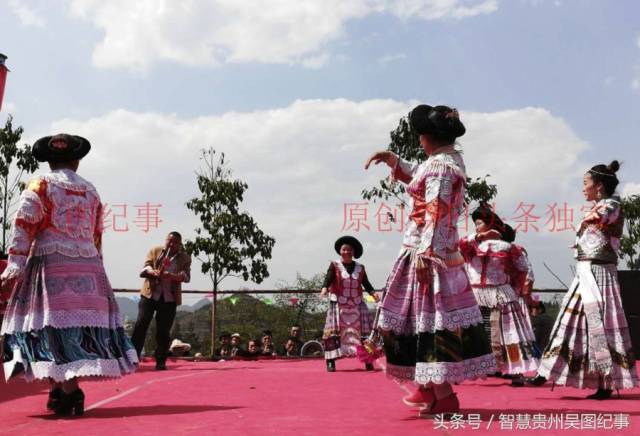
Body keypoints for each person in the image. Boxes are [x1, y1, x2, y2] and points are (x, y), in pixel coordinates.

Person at [365, 105, 496, 417]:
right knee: (418, 319)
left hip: (427, 252)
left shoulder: (441, 168)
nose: (419, 140)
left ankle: (443, 393)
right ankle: (429, 388)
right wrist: (393, 160)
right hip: (434, 250)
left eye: (421, 135)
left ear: (429, 137)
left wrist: (426, 254)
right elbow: (421, 178)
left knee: (428, 321)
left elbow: (436, 211)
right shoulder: (447, 161)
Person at [0, 134, 137, 416]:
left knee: (49, 326)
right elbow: (97, 233)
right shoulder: (91, 190)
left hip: (52, 262)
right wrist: (96, 264)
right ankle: (58, 389)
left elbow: (24, 222)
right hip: (87, 266)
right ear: (77, 160)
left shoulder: (40, 184)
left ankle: (71, 391)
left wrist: (15, 261)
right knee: (75, 328)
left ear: (49, 161)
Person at [528, 161, 638, 398]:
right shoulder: (604, 206)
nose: (582, 189)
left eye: (585, 184)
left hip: (599, 274)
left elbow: (602, 218)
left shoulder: (611, 205)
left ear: (598, 186)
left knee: (599, 325)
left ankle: (604, 382)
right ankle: (548, 371)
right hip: (587, 272)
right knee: (570, 322)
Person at [459, 206, 540, 386]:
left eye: (479, 223)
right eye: (476, 223)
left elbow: (522, 270)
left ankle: (514, 372)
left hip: (496, 293)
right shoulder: (477, 245)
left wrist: (514, 288)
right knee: (498, 333)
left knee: (503, 333)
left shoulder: (505, 247)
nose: (476, 227)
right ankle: (508, 372)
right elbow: (522, 270)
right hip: (484, 293)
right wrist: (514, 288)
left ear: (490, 224)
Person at [131, 232, 192, 370]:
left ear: (180, 244)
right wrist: (153, 272)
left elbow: (186, 277)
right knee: (141, 325)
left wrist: (171, 276)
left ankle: (160, 361)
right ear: (166, 241)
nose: (171, 244)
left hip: (169, 298)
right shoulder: (155, 251)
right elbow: (146, 267)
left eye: (175, 242)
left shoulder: (184, 258)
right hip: (150, 294)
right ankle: (132, 359)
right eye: (169, 241)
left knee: (163, 331)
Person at [320, 235, 379, 372]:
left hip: (357, 304)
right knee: (333, 333)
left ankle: (367, 361)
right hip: (338, 305)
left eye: (349, 250)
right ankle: (331, 361)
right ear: (340, 251)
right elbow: (328, 278)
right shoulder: (335, 265)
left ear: (353, 252)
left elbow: (366, 283)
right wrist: (324, 288)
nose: (346, 252)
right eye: (344, 249)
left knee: (364, 333)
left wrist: (373, 293)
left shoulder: (361, 268)